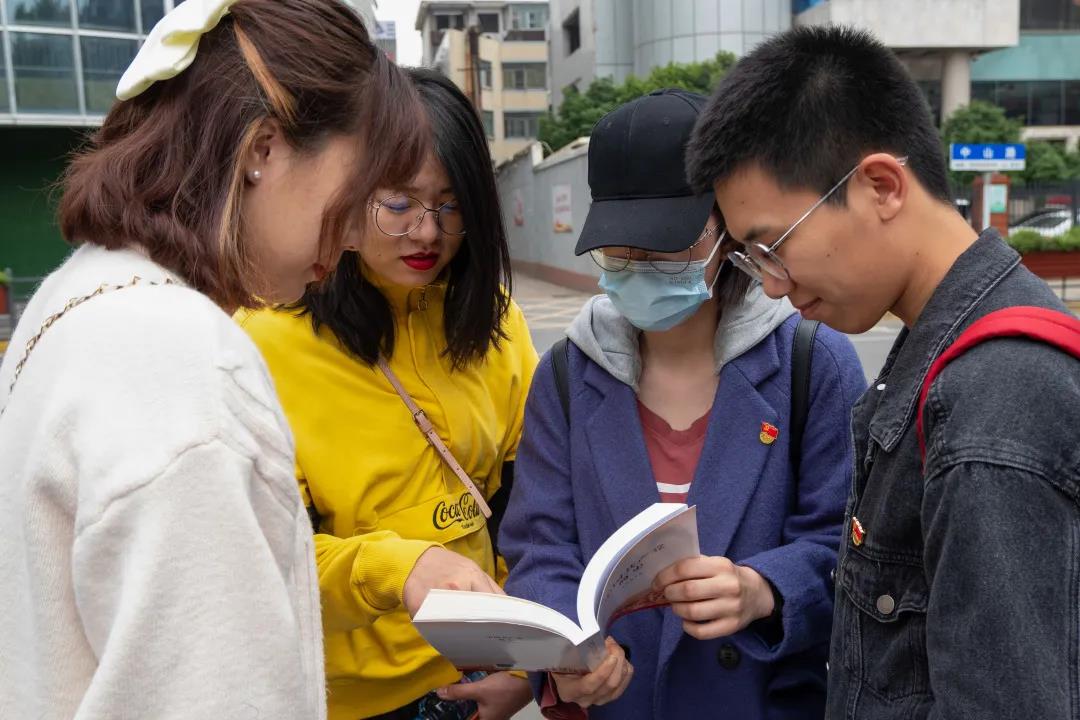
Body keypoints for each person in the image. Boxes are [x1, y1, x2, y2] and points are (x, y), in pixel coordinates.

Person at [0, 2, 426, 718]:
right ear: (262, 148)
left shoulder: (74, 295)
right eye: (355, 197)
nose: (355, 237)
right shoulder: (188, 365)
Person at [687, 25, 1080, 720]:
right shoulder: (942, 351)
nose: (773, 287)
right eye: (750, 263)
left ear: (881, 186)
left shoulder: (990, 407)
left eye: (771, 246)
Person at [499, 89, 866, 720]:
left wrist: (763, 589)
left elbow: (850, 543)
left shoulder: (813, 364)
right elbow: (540, 547)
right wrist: (568, 659)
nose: (638, 267)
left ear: (727, 229)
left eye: (666, 248)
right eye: (619, 251)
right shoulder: (565, 373)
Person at [237, 68, 538, 720]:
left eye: (451, 204)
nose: (428, 233)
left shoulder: (496, 320)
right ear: (341, 197)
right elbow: (260, 564)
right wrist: (397, 568)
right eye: (398, 204)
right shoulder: (263, 340)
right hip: (348, 701)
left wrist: (528, 665)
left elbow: (530, 507)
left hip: (482, 678)